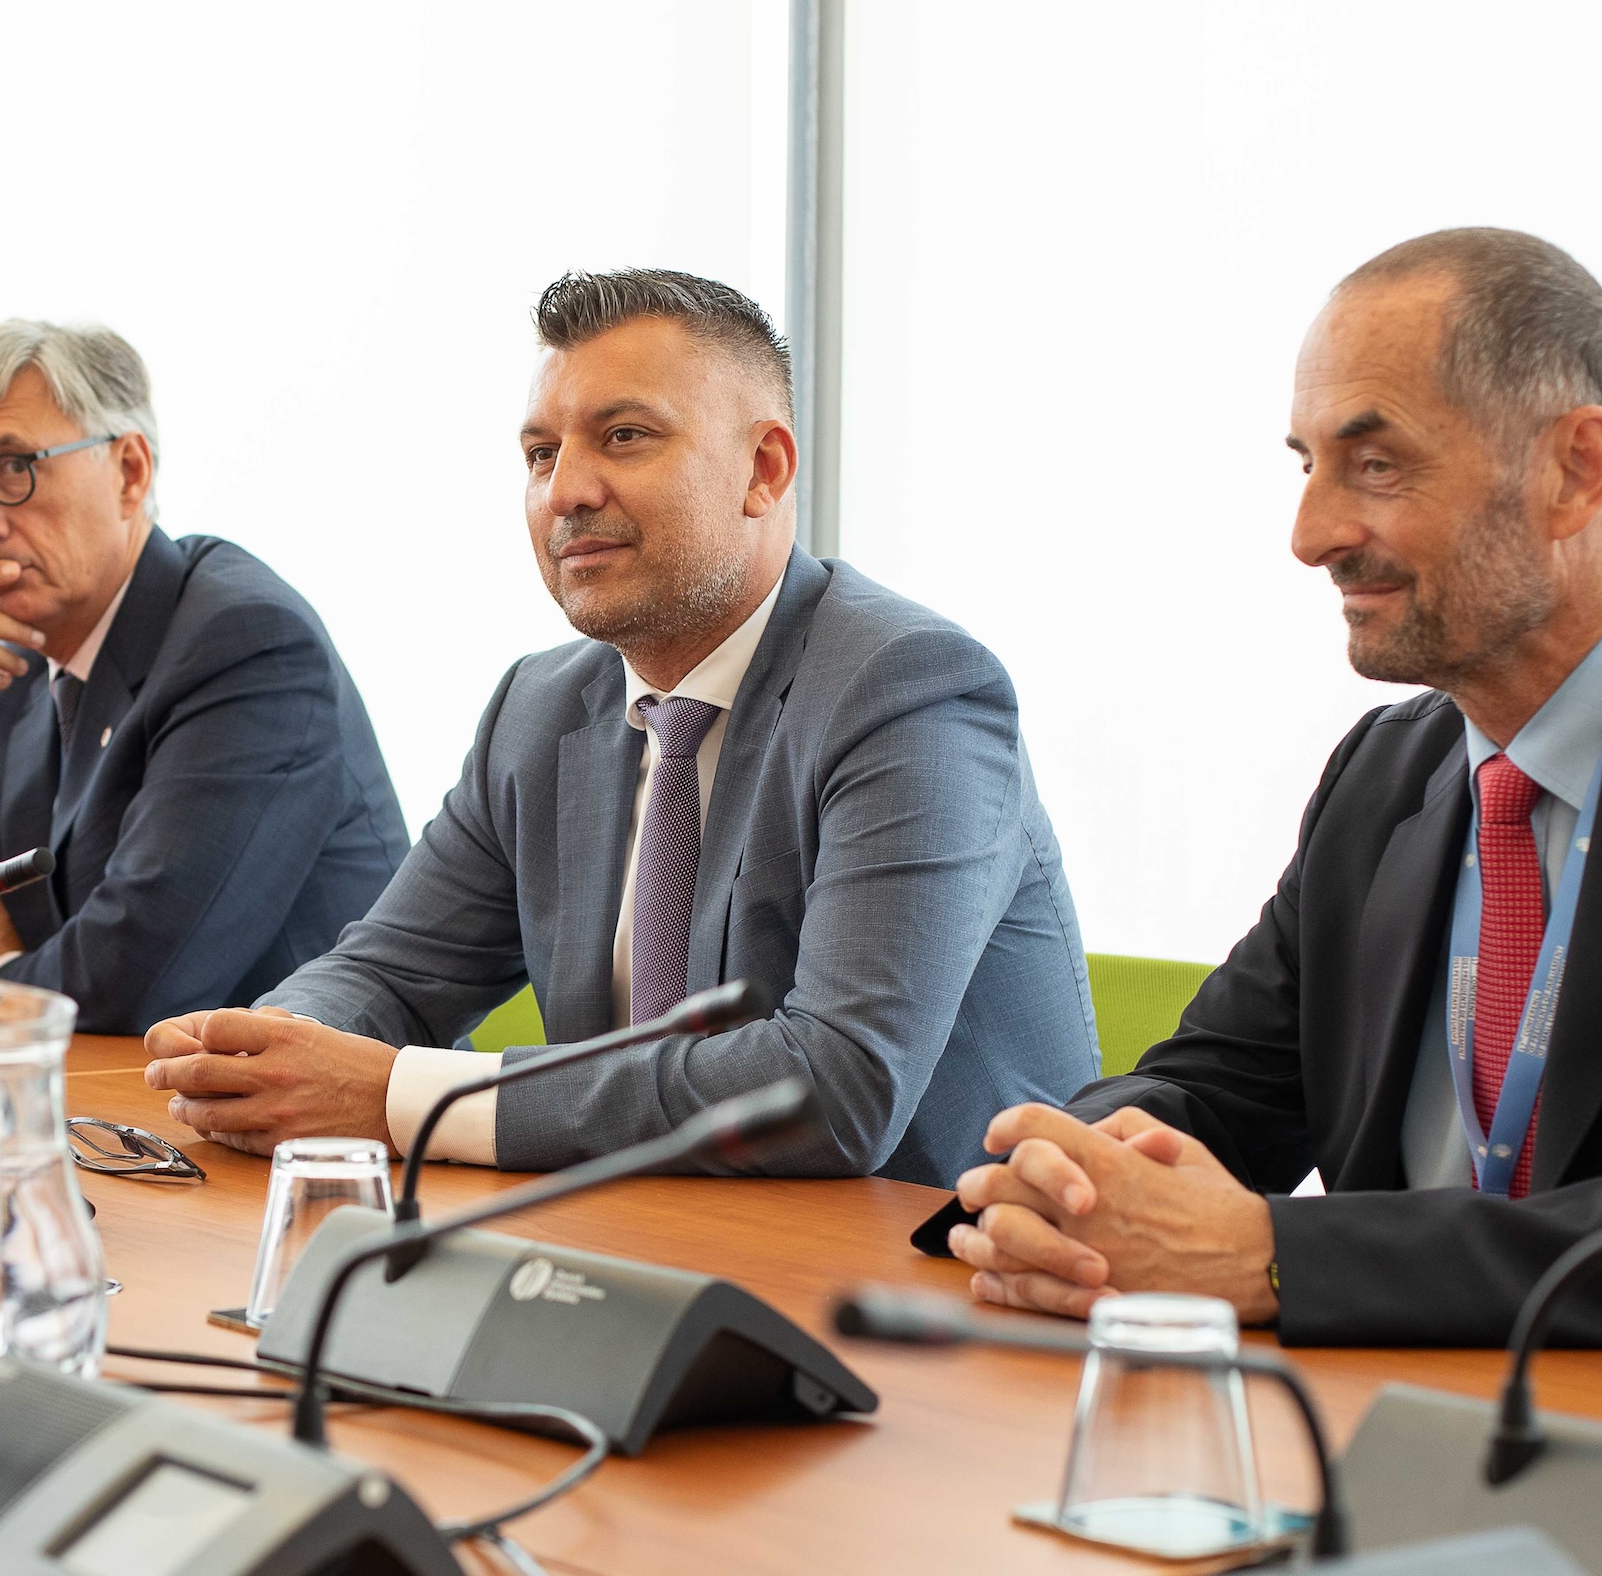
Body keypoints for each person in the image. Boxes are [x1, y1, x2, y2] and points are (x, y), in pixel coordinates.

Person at [922, 228, 1602, 1348]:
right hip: (1378, 1421)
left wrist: (1280, 1258)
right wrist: (1069, 1173)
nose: (1311, 535)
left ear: (1574, 470)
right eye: (1308, 464)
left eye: (1375, 464)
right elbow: (1224, 1089)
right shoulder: (1387, 773)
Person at [140, 270, 1097, 1184]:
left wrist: (402, 1096)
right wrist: (264, 1049)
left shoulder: (909, 689)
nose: (566, 491)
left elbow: (836, 1084)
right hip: (627, 1242)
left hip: (932, 1268)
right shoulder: (538, 708)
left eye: (625, 436)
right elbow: (388, 974)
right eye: (540, 454)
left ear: (763, 470)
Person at [0, 321, 410, 1034]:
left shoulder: (247, 646)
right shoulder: (10, 672)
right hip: (115, 1095)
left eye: (12, 469)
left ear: (130, 472)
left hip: (314, 1104)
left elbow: (133, 990)